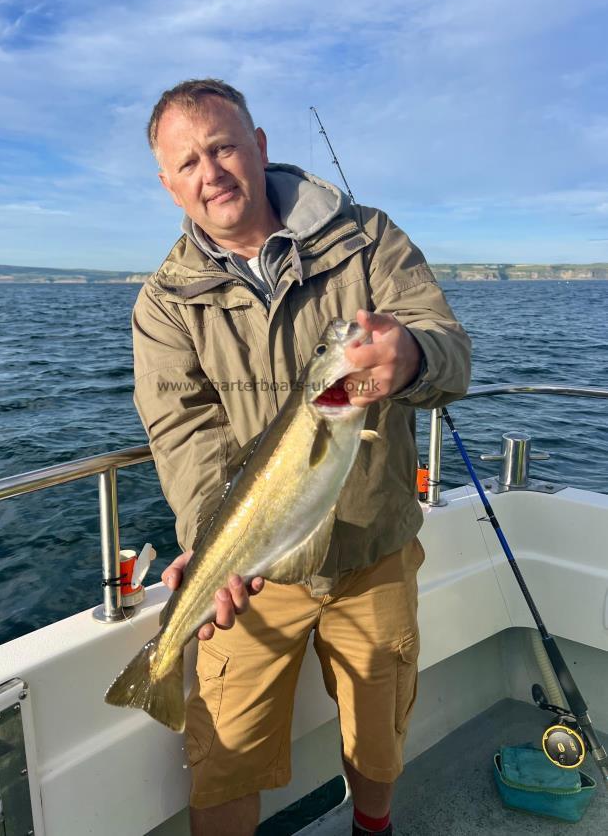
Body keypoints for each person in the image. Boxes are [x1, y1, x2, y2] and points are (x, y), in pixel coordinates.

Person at [132, 79, 471, 836]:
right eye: (187, 163)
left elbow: (454, 355)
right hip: (254, 575)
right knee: (225, 756)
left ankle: (370, 828)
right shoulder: (164, 302)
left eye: (222, 147)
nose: (210, 172)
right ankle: (159, 670)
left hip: (372, 548)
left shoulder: (369, 239)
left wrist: (411, 354)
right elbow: (183, 436)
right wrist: (205, 540)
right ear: (168, 185)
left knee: (379, 738)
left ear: (258, 146)